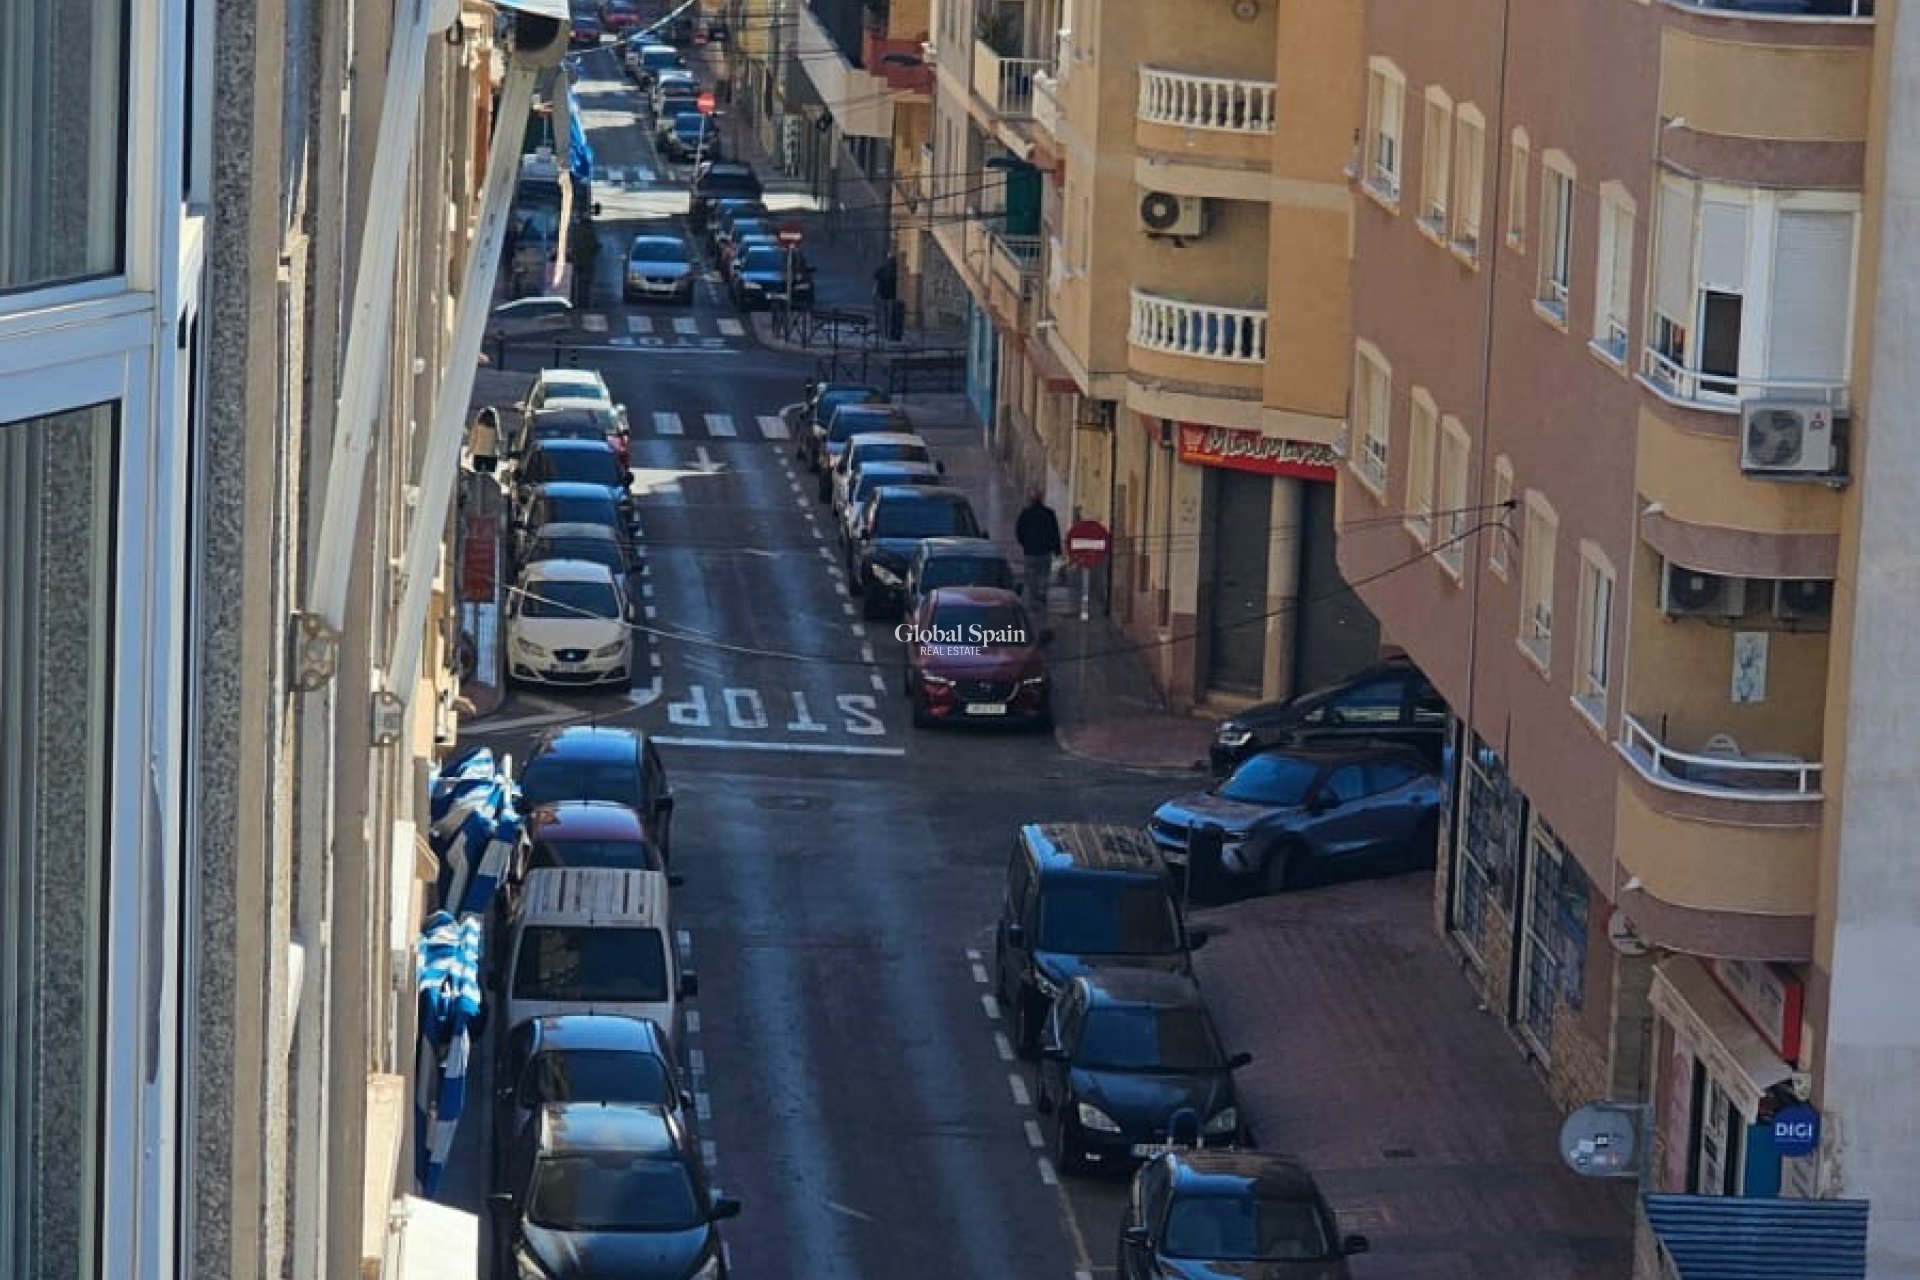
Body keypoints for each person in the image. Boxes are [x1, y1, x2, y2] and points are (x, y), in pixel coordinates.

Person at [1015, 488, 1062, 611]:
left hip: (1030, 551)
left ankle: (1034, 598)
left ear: (1030, 500)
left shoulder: (1025, 513)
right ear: (1041, 499)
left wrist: (1024, 543)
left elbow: (1019, 531)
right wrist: (1057, 549)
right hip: (1045, 552)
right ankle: (1041, 595)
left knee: (1031, 576)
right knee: (1044, 574)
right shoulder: (1049, 513)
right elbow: (1054, 532)